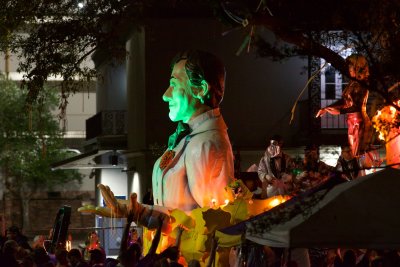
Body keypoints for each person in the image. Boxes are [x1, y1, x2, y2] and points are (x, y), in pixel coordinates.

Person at [316, 54, 372, 157]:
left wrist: (340, 111)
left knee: (357, 153)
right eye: (349, 66)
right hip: (351, 121)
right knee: (354, 151)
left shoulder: (362, 84)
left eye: (351, 66)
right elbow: (343, 101)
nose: (349, 69)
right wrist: (326, 109)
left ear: (358, 68)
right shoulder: (352, 83)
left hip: (359, 122)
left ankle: (362, 171)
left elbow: (357, 107)